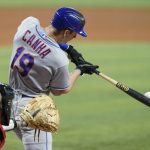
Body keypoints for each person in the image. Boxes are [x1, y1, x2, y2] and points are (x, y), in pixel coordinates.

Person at [9, 7, 99, 150]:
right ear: (67, 32)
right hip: (33, 110)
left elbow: (43, 38)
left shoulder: (28, 24)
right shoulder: (58, 59)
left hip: (8, 102)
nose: (74, 37)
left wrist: (67, 47)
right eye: (74, 34)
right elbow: (61, 90)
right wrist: (80, 70)